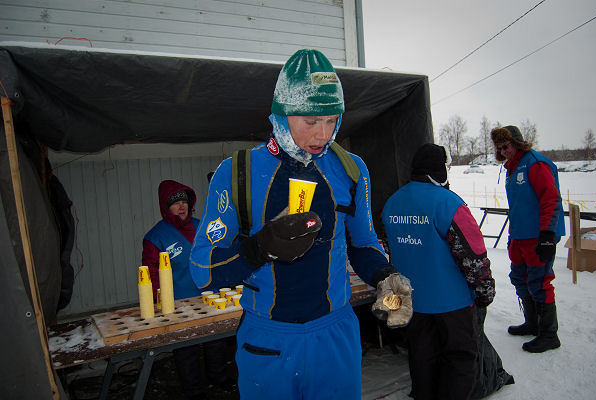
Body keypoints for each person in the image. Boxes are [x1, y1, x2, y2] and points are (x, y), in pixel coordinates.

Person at [188, 49, 412, 400]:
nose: (323, 134)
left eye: (331, 120)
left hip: (335, 336)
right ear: (282, 113)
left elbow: (362, 242)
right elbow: (202, 271)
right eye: (310, 121)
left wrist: (386, 277)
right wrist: (260, 247)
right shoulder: (237, 174)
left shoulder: (351, 170)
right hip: (269, 339)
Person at [382, 143, 496, 400]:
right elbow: (473, 256)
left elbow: (390, 247)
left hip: (411, 302)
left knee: (422, 359)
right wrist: (484, 292)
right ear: (439, 169)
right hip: (451, 303)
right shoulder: (449, 203)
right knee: (460, 361)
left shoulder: (392, 203)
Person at [142, 179, 231, 400]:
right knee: (186, 349)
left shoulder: (203, 226)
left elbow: (218, 256)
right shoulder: (156, 237)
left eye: (184, 200)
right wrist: (158, 300)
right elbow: (151, 272)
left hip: (208, 296)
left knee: (216, 340)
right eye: (175, 202)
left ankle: (218, 376)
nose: (181, 206)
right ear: (165, 206)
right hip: (179, 302)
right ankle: (193, 390)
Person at [491, 125, 564, 353]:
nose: (504, 151)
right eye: (500, 148)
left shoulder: (535, 163)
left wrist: (547, 235)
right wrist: (512, 236)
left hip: (538, 236)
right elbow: (519, 206)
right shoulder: (512, 168)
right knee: (520, 278)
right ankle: (532, 323)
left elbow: (551, 199)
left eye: (507, 146)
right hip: (520, 236)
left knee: (539, 280)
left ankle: (549, 334)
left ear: (518, 143)